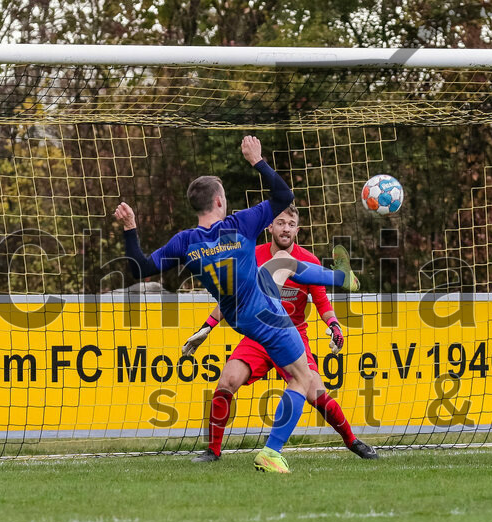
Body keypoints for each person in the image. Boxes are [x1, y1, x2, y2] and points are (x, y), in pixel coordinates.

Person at [115, 135, 357, 474]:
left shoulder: (185, 241)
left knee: (281, 265)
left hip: (238, 316)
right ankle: (271, 452)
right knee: (303, 381)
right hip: (266, 316)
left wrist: (130, 228)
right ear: (218, 200)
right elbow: (285, 196)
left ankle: (338, 277)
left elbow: (139, 267)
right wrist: (256, 160)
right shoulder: (239, 225)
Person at [183, 204, 377, 463]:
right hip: (258, 335)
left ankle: (352, 441)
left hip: (293, 335)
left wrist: (334, 326)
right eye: (281, 222)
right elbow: (232, 300)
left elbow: (322, 303)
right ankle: (213, 452)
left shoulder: (308, 261)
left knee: (317, 394)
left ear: (298, 229)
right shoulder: (251, 255)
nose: (286, 228)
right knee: (226, 381)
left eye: (291, 224)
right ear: (269, 227)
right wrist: (206, 327)